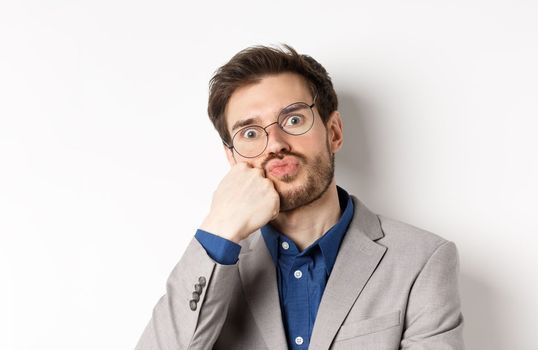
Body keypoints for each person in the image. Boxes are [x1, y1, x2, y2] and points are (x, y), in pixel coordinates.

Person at [135, 44, 464, 350]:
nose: (276, 143)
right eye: (250, 133)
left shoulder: (421, 260)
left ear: (333, 132)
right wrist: (221, 227)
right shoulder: (213, 263)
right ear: (233, 158)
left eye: (293, 119)